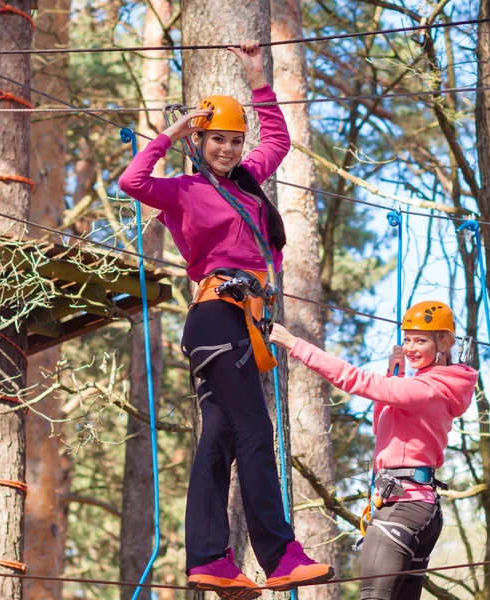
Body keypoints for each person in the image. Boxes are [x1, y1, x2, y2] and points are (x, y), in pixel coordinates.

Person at [119, 40, 333, 600]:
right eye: (217, 139)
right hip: (217, 316)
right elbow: (132, 183)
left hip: (246, 320)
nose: (228, 149)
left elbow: (279, 140)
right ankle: (281, 555)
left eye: (235, 141)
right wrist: (172, 131)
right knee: (255, 430)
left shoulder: (248, 179)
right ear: (200, 141)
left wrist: (258, 79)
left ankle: (211, 559)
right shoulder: (186, 190)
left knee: (218, 440)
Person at [270, 300, 479, 600]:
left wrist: (294, 344)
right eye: (407, 339)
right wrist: (393, 374)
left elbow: (355, 380)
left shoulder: (426, 389)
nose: (411, 347)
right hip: (420, 507)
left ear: (444, 342)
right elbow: (381, 425)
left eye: (421, 340)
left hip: (403, 506)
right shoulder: (434, 388)